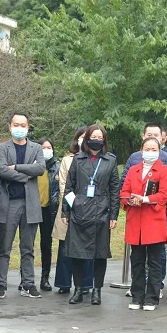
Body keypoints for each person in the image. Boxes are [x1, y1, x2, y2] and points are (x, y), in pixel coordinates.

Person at [62, 124, 120, 305]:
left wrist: (113, 215)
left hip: (101, 211)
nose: (96, 139)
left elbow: (114, 189)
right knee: (77, 253)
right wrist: (67, 210)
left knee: (100, 253)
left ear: (104, 140)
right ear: (87, 139)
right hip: (79, 211)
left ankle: (97, 291)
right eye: (93, 136)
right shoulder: (78, 159)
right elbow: (69, 187)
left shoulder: (110, 160)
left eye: (99, 136)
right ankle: (78, 289)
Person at [120, 123, 167, 297]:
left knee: (155, 257)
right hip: (135, 217)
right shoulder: (133, 167)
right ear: (141, 147)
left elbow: (166, 192)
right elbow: (124, 190)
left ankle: (154, 291)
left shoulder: (165, 166)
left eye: (154, 149)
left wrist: (145, 199)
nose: (150, 151)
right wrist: (130, 200)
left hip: (154, 217)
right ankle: (137, 293)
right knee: (136, 258)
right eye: (147, 148)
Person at [0, 112, 45, 299]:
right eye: (16, 124)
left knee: (28, 248)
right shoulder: (1, 148)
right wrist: (26, 173)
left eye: (23, 125)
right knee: (4, 247)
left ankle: (28, 284)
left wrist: (15, 167)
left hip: (30, 204)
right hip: (9, 203)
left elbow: (40, 168)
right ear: (9, 126)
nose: (19, 128)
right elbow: (1, 170)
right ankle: (1, 284)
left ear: (28, 127)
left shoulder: (37, 148)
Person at [52, 127, 95, 294]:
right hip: (69, 208)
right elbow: (63, 185)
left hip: (91, 210)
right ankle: (64, 283)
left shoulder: (97, 160)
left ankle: (85, 284)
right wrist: (75, 205)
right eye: (81, 137)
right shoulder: (67, 160)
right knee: (65, 247)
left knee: (88, 246)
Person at [36, 138, 59, 292]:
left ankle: (45, 278)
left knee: (46, 244)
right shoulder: (33, 166)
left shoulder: (56, 168)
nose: (46, 150)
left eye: (49, 147)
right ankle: (26, 277)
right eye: (43, 147)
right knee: (27, 245)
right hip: (32, 209)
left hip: (48, 210)